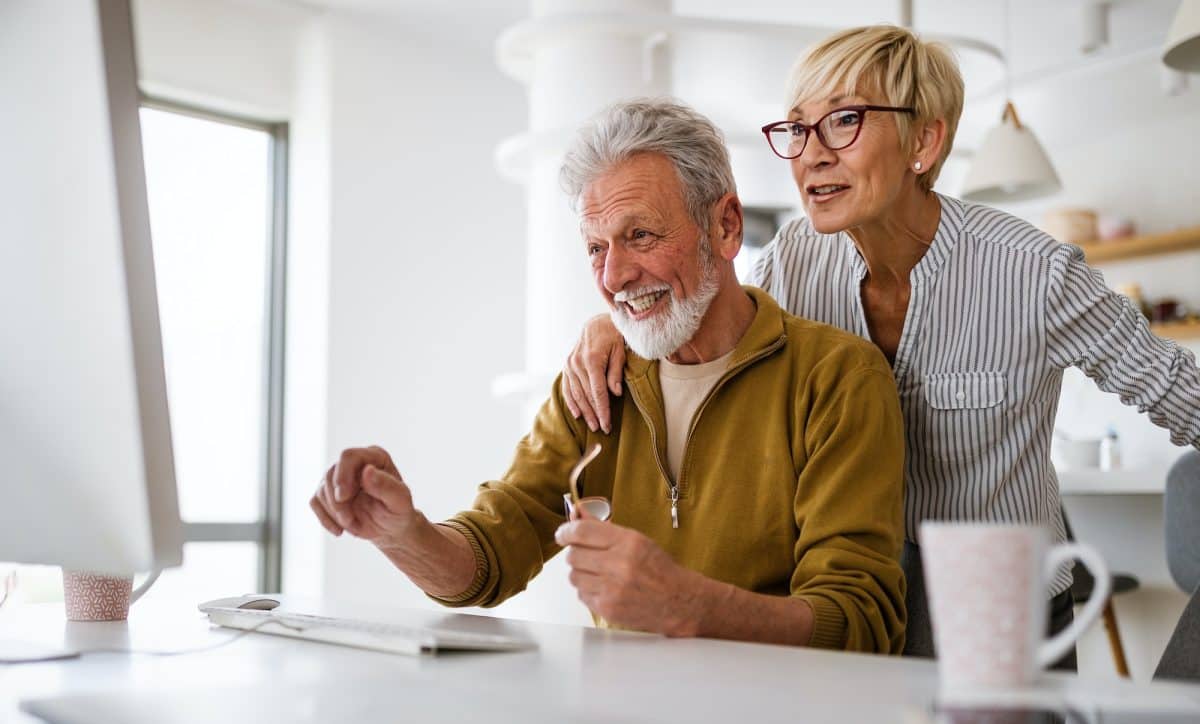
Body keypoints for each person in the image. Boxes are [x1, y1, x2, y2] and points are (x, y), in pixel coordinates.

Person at [559, 26, 1200, 667]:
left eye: (843, 121)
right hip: (849, 614)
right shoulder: (791, 263)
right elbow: (704, 323)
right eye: (798, 129)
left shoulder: (1035, 272)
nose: (812, 154)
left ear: (924, 140)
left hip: (1000, 623)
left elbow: (1181, 391)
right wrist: (614, 325)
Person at [312, 99, 908, 654]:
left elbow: (860, 623)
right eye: (596, 248)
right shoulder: (595, 382)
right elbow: (490, 557)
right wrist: (402, 534)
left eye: (640, 235)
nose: (615, 276)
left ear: (726, 226)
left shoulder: (839, 379)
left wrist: (692, 607)